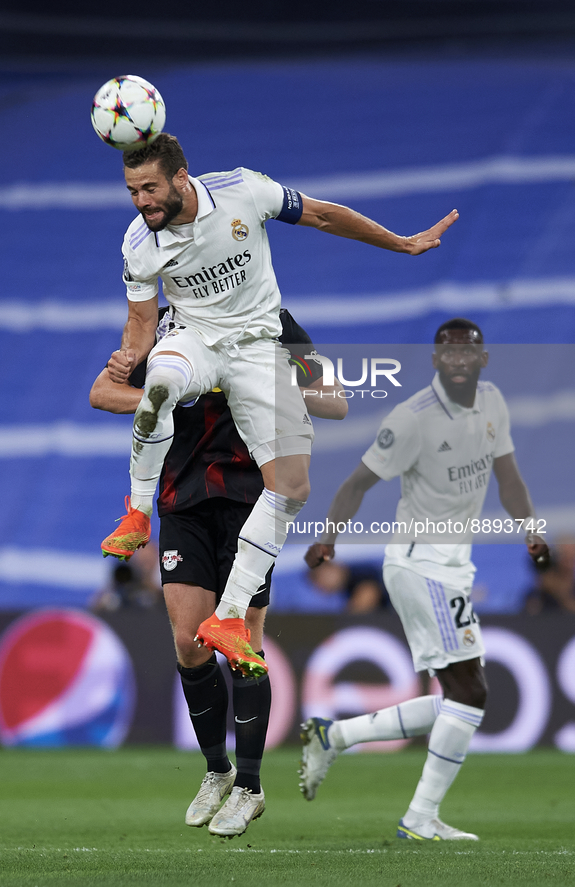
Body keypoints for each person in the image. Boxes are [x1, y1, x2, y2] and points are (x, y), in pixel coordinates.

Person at [99, 132, 458, 678]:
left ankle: (231, 624)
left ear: (180, 178)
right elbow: (114, 372)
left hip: (246, 488)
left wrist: (280, 385)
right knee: (164, 383)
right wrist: (135, 361)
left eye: (149, 188)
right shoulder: (152, 273)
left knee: (293, 488)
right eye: (132, 191)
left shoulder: (286, 332)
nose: (141, 201)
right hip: (186, 485)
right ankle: (136, 513)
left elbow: (334, 402)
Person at [91, 305, 345, 837]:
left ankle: (250, 788)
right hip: (181, 500)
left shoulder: (273, 320)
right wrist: (175, 398)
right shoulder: (161, 324)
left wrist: (272, 387)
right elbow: (102, 392)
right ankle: (217, 771)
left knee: (243, 642)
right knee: (188, 642)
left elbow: (335, 402)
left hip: (253, 503)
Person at [300, 317, 549, 841]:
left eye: (469, 352)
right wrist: (328, 538)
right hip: (420, 565)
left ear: (483, 360)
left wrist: (530, 527)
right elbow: (357, 482)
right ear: (436, 360)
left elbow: (507, 475)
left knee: (459, 695)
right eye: (448, 353)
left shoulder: (494, 405)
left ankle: (335, 735)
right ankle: (419, 818)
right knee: (472, 692)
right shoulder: (411, 419)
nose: (459, 360)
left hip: (454, 568)